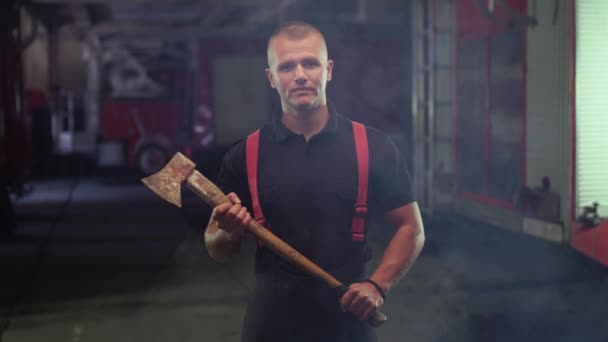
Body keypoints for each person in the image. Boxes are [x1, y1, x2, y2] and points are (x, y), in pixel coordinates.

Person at [204, 21, 425, 342]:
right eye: (287, 66)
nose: (300, 75)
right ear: (271, 78)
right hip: (273, 319)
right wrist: (227, 231)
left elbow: (411, 228)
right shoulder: (244, 155)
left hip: (349, 313)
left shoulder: (373, 147)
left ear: (329, 69)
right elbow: (216, 248)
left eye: (310, 63)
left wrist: (377, 285)